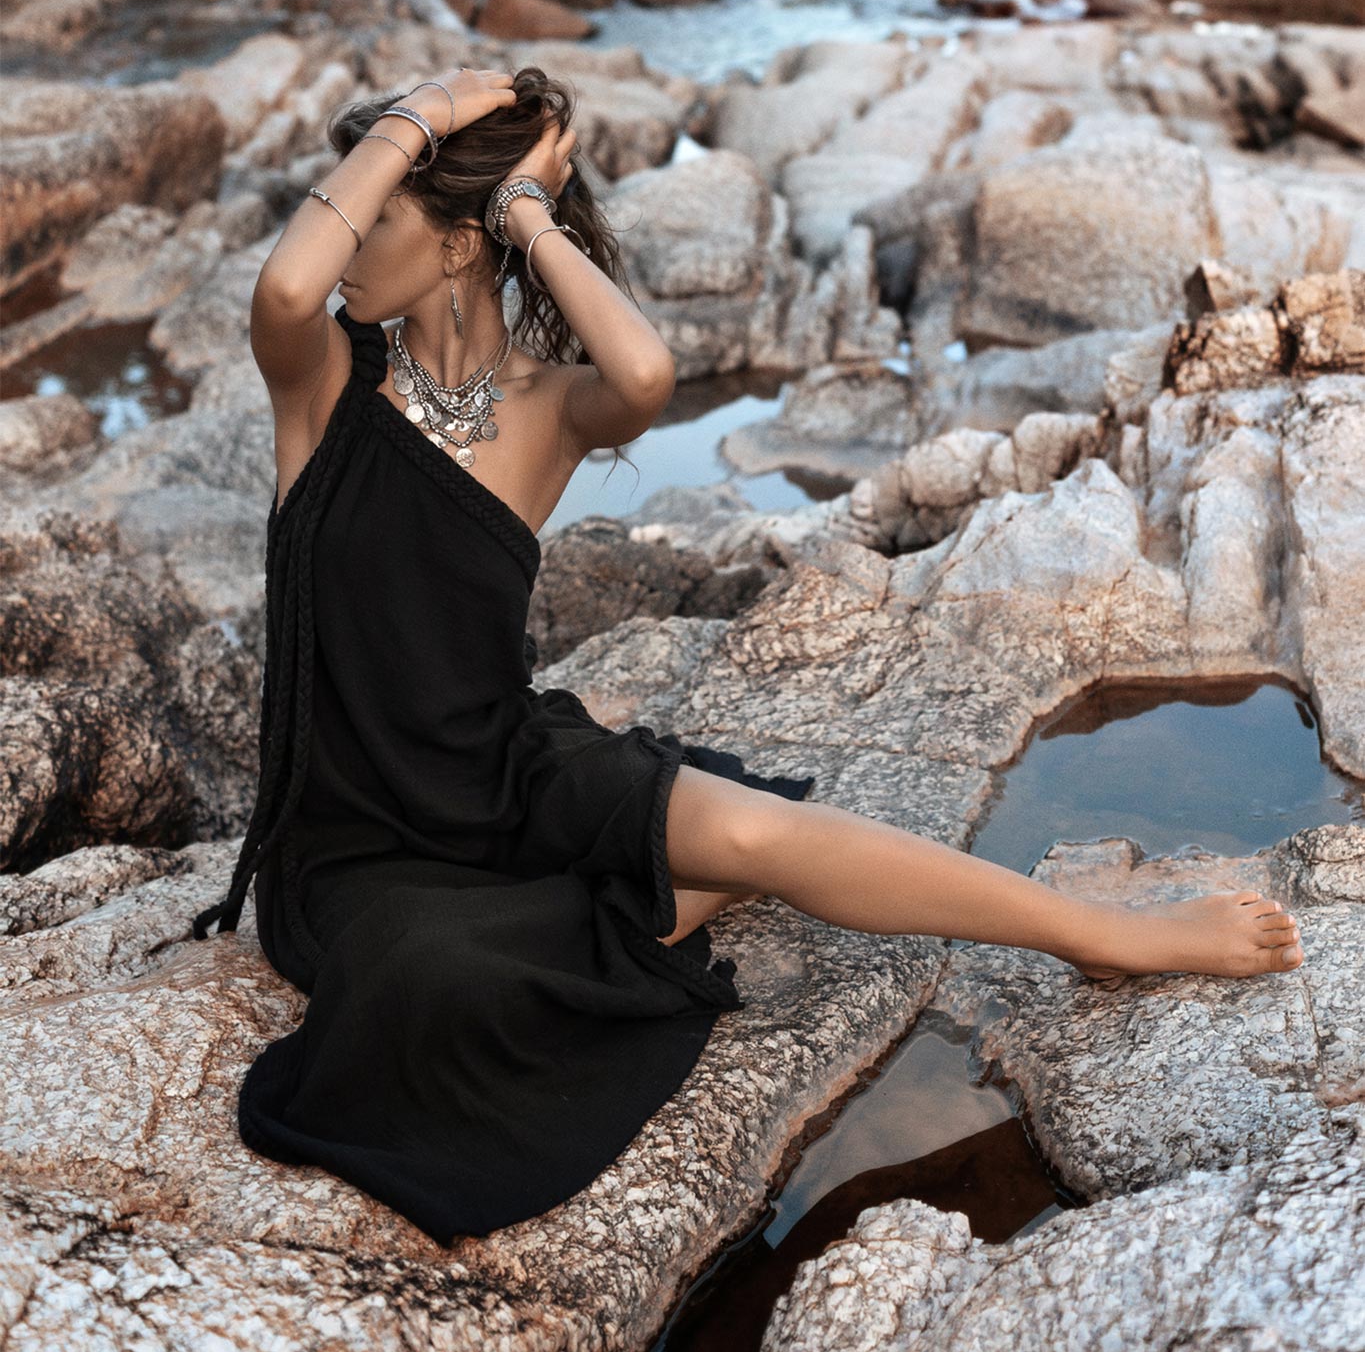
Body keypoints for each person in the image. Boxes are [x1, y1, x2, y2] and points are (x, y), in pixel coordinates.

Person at [191, 62, 1304, 1245]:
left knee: (768, 833)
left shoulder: (549, 407)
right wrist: (419, 118)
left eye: (380, 209)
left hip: (504, 771)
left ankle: (1110, 933)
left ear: (463, 241)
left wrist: (524, 211)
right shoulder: (319, 382)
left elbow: (649, 374)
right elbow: (286, 279)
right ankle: (651, 879)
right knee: (425, 978)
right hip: (356, 837)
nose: (346, 230)